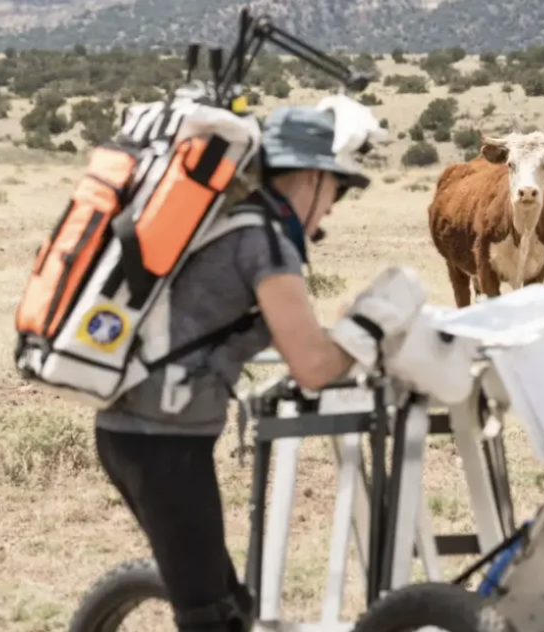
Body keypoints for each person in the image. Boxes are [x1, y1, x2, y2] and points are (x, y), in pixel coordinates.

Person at [92, 103, 395, 632]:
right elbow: (314, 368)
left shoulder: (230, 220)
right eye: (338, 190)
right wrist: (369, 325)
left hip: (136, 429)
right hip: (164, 441)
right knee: (211, 616)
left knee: (228, 606)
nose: (334, 207)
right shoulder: (265, 241)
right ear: (313, 177)